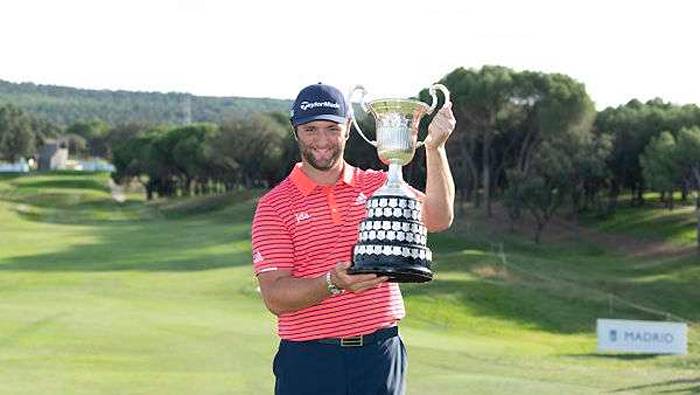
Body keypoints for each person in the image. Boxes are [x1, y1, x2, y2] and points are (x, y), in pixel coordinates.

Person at [251, 82, 455, 395]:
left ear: (348, 128)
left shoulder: (380, 185)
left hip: (380, 354)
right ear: (295, 132)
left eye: (332, 129)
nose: (322, 141)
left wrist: (435, 148)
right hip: (309, 359)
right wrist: (331, 283)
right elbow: (275, 296)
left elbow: (439, 217)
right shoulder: (274, 206)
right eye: (310, 130)